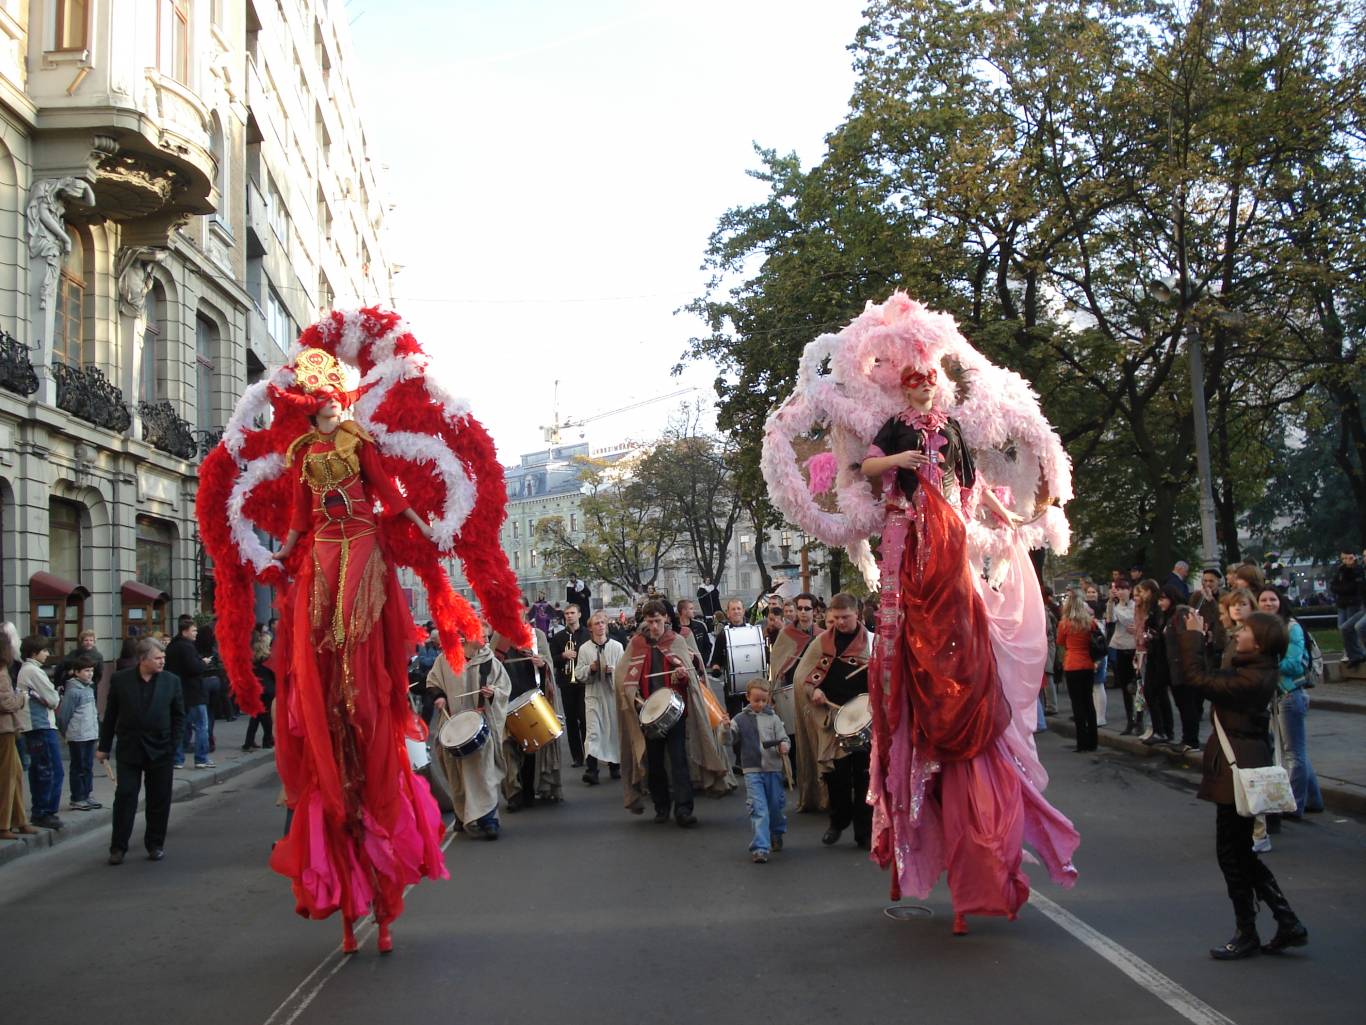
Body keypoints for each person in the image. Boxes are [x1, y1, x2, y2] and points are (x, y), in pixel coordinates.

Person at [856, 351, 1079, 935]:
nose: (923, 394)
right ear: (905, 392)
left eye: (929, 385)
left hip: (950, 530)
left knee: (960, 608)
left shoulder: (951, 429)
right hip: (911, 524)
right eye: (915, 386)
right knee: (912, 608)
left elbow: (972, 487)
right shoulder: (895, 429)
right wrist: (897, 460)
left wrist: (1009, 512)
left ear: (940, 389)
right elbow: (865, 468)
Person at [264, 364, 449, 954]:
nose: (334, 409)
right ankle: (333, 681)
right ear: (314, 407)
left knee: (359, 647)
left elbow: (388, 493)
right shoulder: (301, 454)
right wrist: (279, 554)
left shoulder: (360, 442)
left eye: (337, 402)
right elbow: (298, 515)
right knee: (321, 638)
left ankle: (356, 680)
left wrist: (422, 522)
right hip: (322, 545)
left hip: (363, 541)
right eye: (326, 404)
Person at [1176, 610, 1309, 960]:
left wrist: (1190, 637)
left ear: (1261, 641)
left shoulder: (1255, 677)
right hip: (1238, 767)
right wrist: (1202, 639)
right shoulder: (1251, 668)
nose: (1238, 633)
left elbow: (1198, 680)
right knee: (1238, 853)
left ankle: (1249, 930)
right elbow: (1210, 675)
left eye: (1246, 630)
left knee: (1232, 855)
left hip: (1240, 770)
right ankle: (1285, 920)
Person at [614, 600, 733, 824]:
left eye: (658, 621)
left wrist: (682, 675)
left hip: (676, 712)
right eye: (650, 622)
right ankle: (661, 806)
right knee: (656, 764)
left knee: (679, 761)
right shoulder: (637, 644)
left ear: (666, 619)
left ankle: (684, 809)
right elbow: (623, 676)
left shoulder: (675, 641)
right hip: (648, 714)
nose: (655, 626)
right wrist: (634, 696)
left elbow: (691, 675)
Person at [98, 637, 186, 864]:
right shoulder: (121, 680)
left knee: (159, 798)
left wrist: (173, 745)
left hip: (161, 749)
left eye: (163, 658)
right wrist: (104, 747)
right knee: (125, 796)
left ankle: (155, 844)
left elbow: (179, 716)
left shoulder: (171, 681)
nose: (162, 662)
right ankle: (118, 847)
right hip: (130, 748)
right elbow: (111, 716)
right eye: (157, 658)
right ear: (142, 659)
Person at [798, 593, 873, 844]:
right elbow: (804, 678)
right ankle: (838, 821)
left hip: (866, 719)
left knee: (865, 777)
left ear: (857, 615)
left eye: (846, 617)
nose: (841, 622)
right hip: (833, 718)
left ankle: (864, 831)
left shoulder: (872, 643)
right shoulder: (821, 643)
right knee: (836, 777)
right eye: (836, 618)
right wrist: (814, 690)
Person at [427, 619, 510, 840]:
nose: (483, 639)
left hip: (481, 724)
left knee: (483, 774)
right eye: (480, 635)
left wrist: (493, 692)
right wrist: (439, 697)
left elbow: (504, 687)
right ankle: (463, 815)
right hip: (453, 725)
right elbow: (432, 682)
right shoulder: (445, 660)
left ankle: (489, 819)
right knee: (457, 775)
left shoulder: (489, 662)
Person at [1257, 587, 1323, 817]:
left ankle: (1294, 805)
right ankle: (1314, 799)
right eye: (1263, 600)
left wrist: (1264, 666)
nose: (1267, 603)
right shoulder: (1263, 627)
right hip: (1275, 694)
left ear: (1280, 601)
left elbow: (1294, 664)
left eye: (1272, 599)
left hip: (1290, 693)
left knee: (1293, 753)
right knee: (1296, 751)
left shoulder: (1291, 627)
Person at [494, 627, 565, 809]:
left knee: (532, 746)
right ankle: (513, 793)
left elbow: (547, 662)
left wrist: (541, 664)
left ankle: (530, 790)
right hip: (506, 700)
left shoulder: (537, 635)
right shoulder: (499, 636)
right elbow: (491, 666)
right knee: (507, 748)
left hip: (532, 697)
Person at [728, 680, 788, 863]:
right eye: (756, 700)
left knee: (776, 807)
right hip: (752, 770)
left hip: (773, 769)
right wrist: (723, 727)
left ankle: (776, 833)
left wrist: (784, 745)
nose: (760, 704)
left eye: (764, 700)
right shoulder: (739, 719)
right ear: (748, 697)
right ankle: (760, 848)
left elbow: (784, 738)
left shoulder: (774, 719)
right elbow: (728, 739)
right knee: (758, 808)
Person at [766, 592, 816, 776]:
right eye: (799, 608)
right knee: (793, 733)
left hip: (816, 689)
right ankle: (794, 772)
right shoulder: (787, 634)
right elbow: (777, 661)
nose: (803, 612)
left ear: (814, 611)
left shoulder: (821, 634)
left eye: (807, 608)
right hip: (792, 688)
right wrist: (772, 690)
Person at [18, 636, 63, 829]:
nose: (47, 653)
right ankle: (45, 811)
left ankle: (40, 810)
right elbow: (53, 699)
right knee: (51, 770)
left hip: (35, 726)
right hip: (41, 725)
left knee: (39, 769)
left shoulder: (26, 670)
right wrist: (53, 697)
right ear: (33, 652)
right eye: (44, 650)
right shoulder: (33, 671)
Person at [575, 611, 622, 784]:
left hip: (611, 694)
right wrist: (591, 669)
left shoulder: (617, 647)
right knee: (593, 732)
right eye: (597, 623)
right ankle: (592, 770)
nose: (600, 626)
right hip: (594, 694)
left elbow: (623, 671)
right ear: (590, 628)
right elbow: (579, 673)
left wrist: (613, 670)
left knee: (613, 730)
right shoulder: (584, 648)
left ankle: (614, 765)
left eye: (603, 622)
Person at [0, 629, 36, 841]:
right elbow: (5, 702)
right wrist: (21, 698)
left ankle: (19, 820)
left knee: (15, 774)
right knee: (8, 777)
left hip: (7, 729)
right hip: (3, 729)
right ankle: (5, 823)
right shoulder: (2, 671)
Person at [165, 616, 212, 769]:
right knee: (201, 725)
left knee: (180, 726)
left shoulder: (172, 646)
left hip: (178, 692)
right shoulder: (187, 647)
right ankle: (201, 758)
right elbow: (193, 668)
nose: (196, 633)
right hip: (193, 692)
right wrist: (203, 663)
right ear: (185, 632)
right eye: (193, 630)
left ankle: (177, 759)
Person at [56, 655, 101, 811]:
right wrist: (65, 733)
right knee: (78, 766)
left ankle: (87, 794)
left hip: (90, 734)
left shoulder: (89, 687)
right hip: (78, 735)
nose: (90, 674)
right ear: (76, 672)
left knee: (88, 766)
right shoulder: (73, 691)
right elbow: (63, 715)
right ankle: (77, 797)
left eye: (92, 671)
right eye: (86, 671)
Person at [1056, 588, 1098, 752]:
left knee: (1077, 704)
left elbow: (1061, 642)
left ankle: (1081, 742)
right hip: (1087, 663)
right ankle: (1093, 741)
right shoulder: (1090, 623)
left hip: (1072, 664)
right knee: (1088, 702)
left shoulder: (1064, 624)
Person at [1135, 579, 1175, 746]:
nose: (1141, 596)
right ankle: (1162, 729)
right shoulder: (1150, 610)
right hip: (1152, 654)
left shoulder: (1157, 612)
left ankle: (1162, 729)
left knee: (1155, 693)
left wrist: (1150, 636)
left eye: (1143, 592)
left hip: (1159, 657)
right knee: (1154, 693)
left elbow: (1157, 633)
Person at [549, 603, 589, 767]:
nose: (569, 616)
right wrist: (563, 655)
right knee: (571, 720)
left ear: (579, 614)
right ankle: (577, 757)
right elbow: (551, 659)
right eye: (567, 613)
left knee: (585, 719)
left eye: (572, 613)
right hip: (566, 682)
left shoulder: (587, 634)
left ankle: (589, 754)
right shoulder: (558, 637)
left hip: (584, 682)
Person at [1105, 578, 1141, 734]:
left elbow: (1136, 622)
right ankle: (1129, 720)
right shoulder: (1114, 606)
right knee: (1125, 686)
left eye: (1123, 588)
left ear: (1130, 590)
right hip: (1120, 647)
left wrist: (1138, 629)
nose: (1120, 592)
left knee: (1138, 686)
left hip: (1135, 648)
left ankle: (1139, 720)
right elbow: (1110, 619)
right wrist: (1110, 602)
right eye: (1117, 589)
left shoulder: (1136, 606)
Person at [709, 597, 753, 716]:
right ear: (728, 613)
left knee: (754, 717)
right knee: (735, 718)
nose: (736, 611)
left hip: (752, 682)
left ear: (743, 611)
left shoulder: (752, 632)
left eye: (739, 608)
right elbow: (716, 659)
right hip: (732, 684)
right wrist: (716, 668)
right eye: (733, 609)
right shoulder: (723, 635)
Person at [1329, 550, 1365, 669]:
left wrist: (1352, 568)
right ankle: (1355, 655)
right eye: (1343, 558)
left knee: (1358, 627)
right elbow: (1334, 585)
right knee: (1345, 627)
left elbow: (1354, 587)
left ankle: (1358, 653)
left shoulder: (1358, 569)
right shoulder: (1341, 569)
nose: (1345, 561)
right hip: (1345, 603)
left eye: (1348, 558)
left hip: (1353, 602)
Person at [242, 631, 275, 751]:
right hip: (268, 689)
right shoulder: (268, 658)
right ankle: (267, 740)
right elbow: (274, 674)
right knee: (266, 716)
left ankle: (248, 741)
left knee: (255, 715)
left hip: (256, 688)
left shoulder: (252, 657)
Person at [677, 598, 712, 665]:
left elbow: (707, 646)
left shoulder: (700, 626)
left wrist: (702, 663)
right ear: (683, 611)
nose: (694, 611)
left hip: (699, 666)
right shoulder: (674, 629)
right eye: (691, 609)